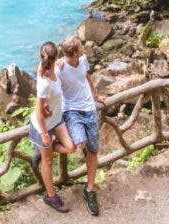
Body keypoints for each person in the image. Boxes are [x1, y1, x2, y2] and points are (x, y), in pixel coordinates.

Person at [58, 36, 106, 216]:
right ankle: (46, 148)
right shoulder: (60, 68)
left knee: (93, 150)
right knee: (80, 143)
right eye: (80, 46)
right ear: (74, 52)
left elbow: (87, 76)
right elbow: (43, 77)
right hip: (71, 111)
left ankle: (90, 189)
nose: (83, 46)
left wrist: (96, 95)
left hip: (89, 109)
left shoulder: (83, 59)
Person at [29, 41, 77, 213]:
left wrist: (61, 61)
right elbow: (38, 109)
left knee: (71, 147)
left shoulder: (50, 67)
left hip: (56, 119)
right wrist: (43, 134)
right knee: (48, 161)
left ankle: (41, 150)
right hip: (42, 126)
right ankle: (50, 196)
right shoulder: (44, 83)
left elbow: (51, 64)